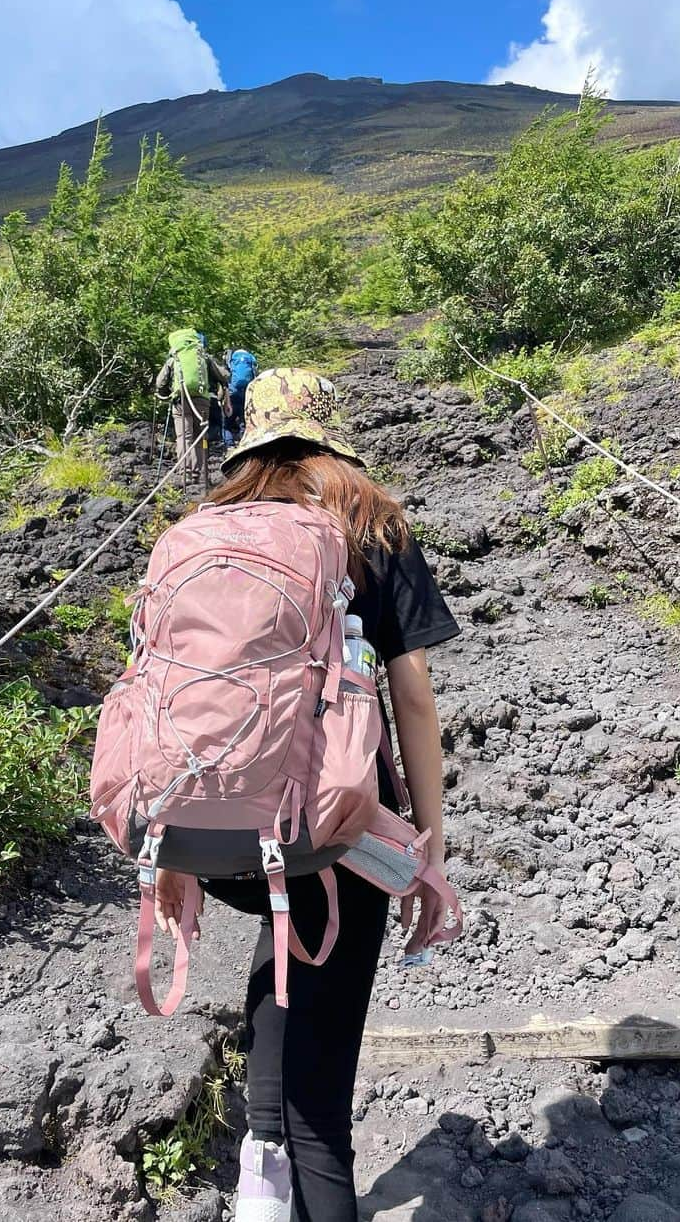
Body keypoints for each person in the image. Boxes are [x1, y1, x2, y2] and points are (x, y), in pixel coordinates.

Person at [151, 369, 460, 1222]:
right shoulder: (372, 523)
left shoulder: (201, 531)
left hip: (215, 832)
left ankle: (259, 1174)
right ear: (331, 432)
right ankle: (303, 1182)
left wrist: (168, 849)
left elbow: (168, 694)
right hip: (337, 830)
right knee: (322, 1110)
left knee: (283, 942)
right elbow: (416, 700)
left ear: (251, 438)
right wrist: (428, 846)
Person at [156, 328, 230, 490]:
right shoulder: (202, 356)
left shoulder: (175, 357)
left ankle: (186, 473)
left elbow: (160, 382)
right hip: (203, 401)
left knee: (184, 436)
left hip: (181, 401)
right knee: (201, 436)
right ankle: (201, 474)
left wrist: (165, 393)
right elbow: (224, 375)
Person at [224, 346, 258, 447]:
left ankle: (229, 444)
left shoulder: (232, 359)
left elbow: (226, 375)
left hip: (233, 393)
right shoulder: (250, 358)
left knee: (227, 423)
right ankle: (244, 444)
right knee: (244, 420)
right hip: (246, 392)